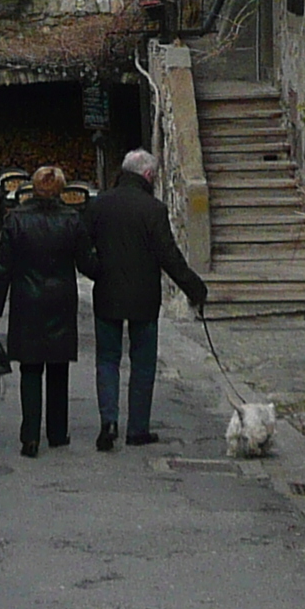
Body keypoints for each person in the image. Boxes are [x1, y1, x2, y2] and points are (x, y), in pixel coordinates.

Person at [83, 148, 208, 450]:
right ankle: (137, 428)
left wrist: (95, 272)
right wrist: (194, 288)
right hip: (144, 297)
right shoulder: (153, 209)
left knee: (108, 360)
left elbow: (81, 247)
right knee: (142, 363)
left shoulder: (99, 205)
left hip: (108, 293)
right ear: (148, 175)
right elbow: (169, 256)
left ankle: (109, 421)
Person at [0, 164, 94, 457]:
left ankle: (30, 435)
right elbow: (86, 264)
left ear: (32, 188)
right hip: (60, 299)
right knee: (58, 369)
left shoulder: (16, 220)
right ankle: (57, 432)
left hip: (27, 299)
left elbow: (3, 268)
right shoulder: (72, 220)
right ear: (61, 190)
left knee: (30, 370)